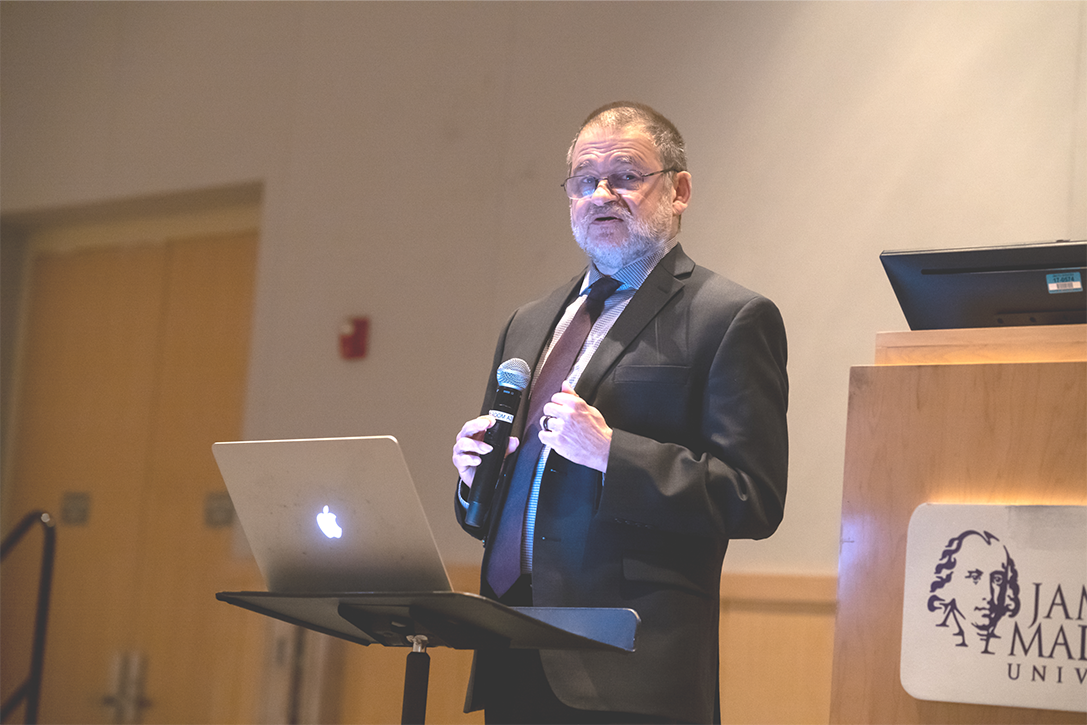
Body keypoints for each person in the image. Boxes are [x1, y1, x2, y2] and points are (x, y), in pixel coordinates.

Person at [451, 101, 789, 725]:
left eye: (627, 176)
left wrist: (613, 454)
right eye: (585, 180)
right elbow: (491, 512)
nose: (602, 193)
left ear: (678, 190)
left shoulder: (728, 317)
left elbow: (753, 497)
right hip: (510, 642)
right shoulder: (530, 322)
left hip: (627, 668)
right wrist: (477, 476)